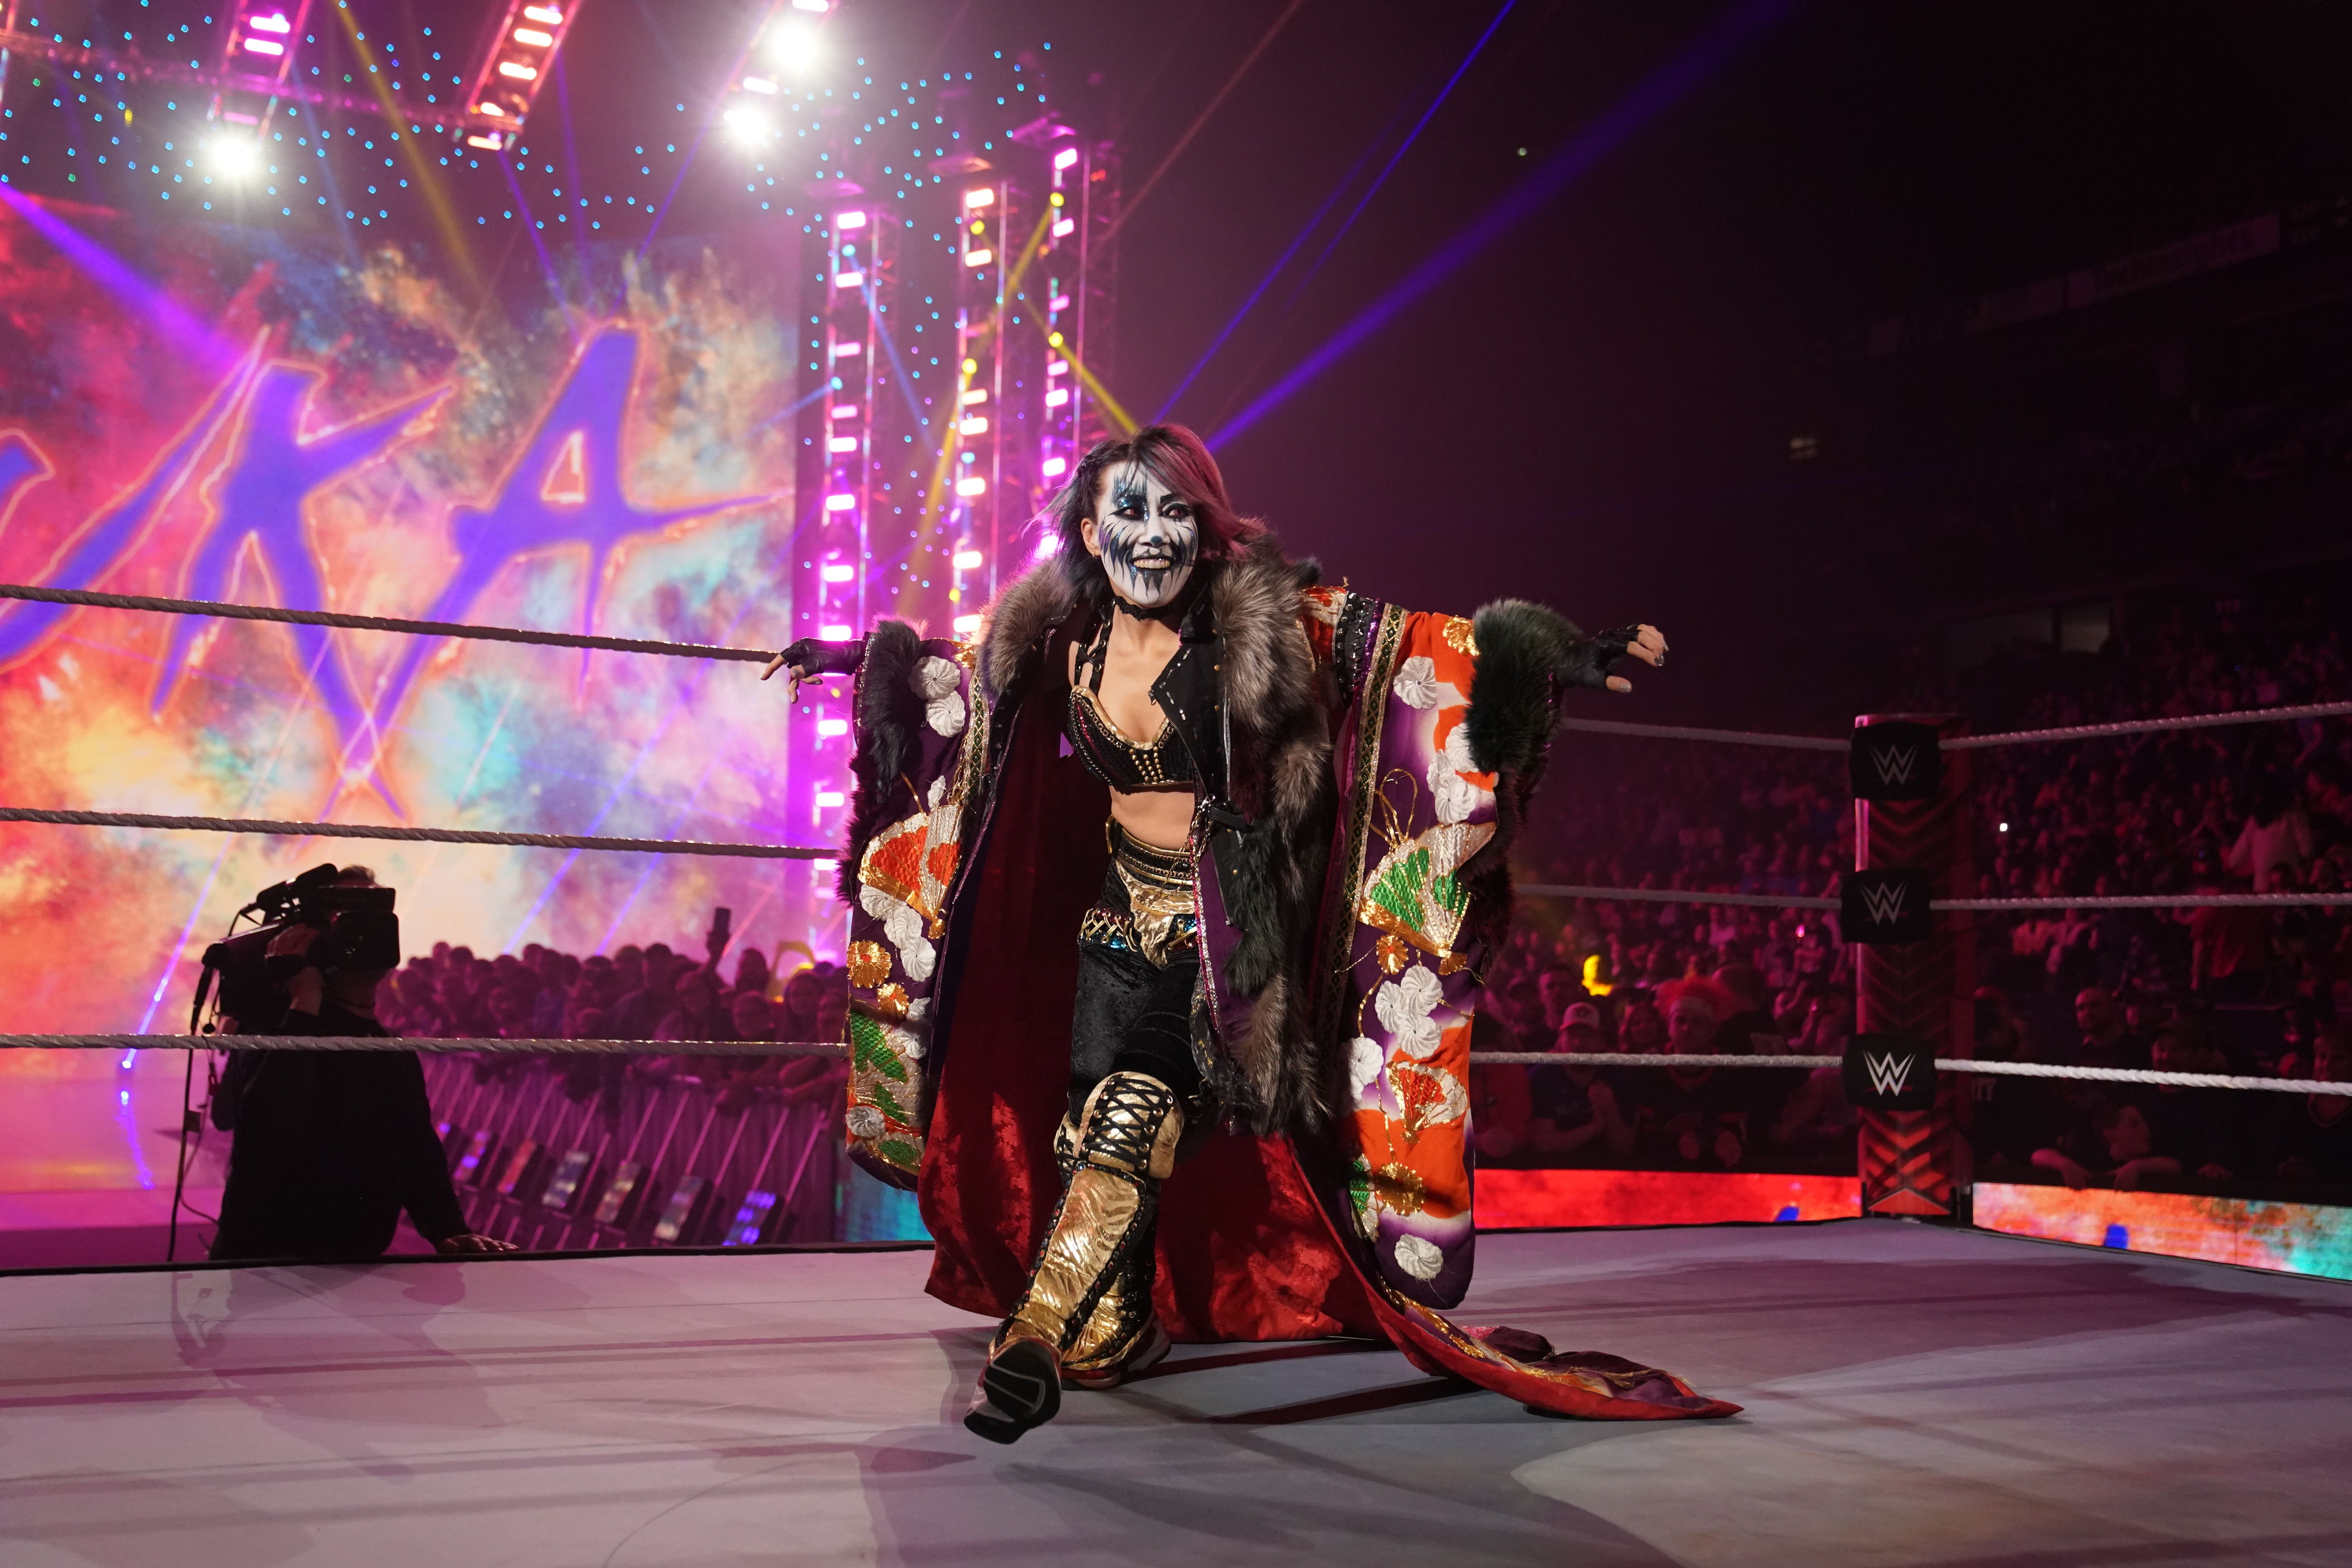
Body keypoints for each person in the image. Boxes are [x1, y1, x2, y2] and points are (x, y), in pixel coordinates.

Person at [770, 423, 1729, 1441]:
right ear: (1089, 530)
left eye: (1174, 511)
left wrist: (1550, 654)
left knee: (1133, 1118)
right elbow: (962, 692)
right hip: (1109, 930)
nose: (1152, 532)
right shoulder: (1056, 636)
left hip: (1222, 938)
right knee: (1088, 1134)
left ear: (1205, 526)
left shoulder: (1268, 620)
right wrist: (869, 665)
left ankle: (1033, 1341)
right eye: (1128, 511)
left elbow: (1415, 650)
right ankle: (1113, 1327)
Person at [211, 867, 514, 1262]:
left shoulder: (389, 1048)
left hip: (359, 1268)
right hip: (265, 1266)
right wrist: (305, 998)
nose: (369, 930)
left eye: (377, 915)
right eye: (349, 918)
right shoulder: (272, 1027)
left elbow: (415, 1146)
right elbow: (272, 1124)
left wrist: (450, 1230)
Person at [1524, 1001, 1634, 1164]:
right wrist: (1594, 1128)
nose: (1578, 1043)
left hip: (1607, 1170)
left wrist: (1611, 1109)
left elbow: (1624, 1146)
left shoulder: (1615, 1074)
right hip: (1555, 1170)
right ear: (1560, 1040)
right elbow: (1541, 1144)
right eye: (1572, 1035)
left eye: (1587, 1036)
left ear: (1600, 1041)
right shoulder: (1543, 1077)